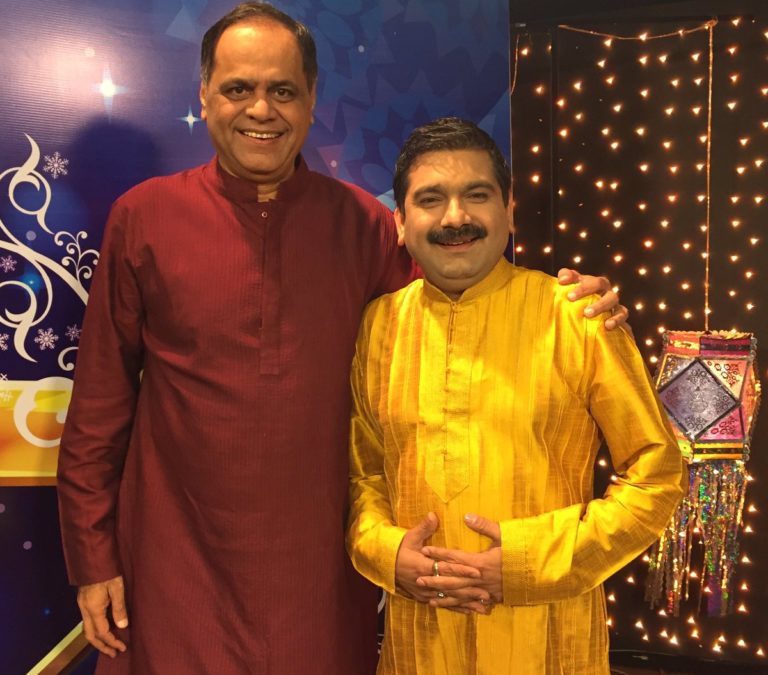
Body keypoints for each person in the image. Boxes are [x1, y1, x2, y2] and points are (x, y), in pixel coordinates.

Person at [56, 4, 627, 674]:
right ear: (204, 95)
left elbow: (461, 311)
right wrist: (93, 558)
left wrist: (570, 300)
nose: (261, 109)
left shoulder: (362, 225)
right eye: (239, 88)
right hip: (175, 557)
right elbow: (99, 406)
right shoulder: (144, 217)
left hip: (320, 570)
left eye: (283, 90)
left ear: (311, 102)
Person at [345, 117, 686, 675]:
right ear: (401, 224)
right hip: (420, 642)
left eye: (477, 195)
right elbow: (365, 476)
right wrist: (386, 553)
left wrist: (529, 563)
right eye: (430, 199)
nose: (455, 217)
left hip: (547, 640)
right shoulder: (378, 327)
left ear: (508, 211)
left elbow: (657, 477)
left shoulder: (577, 317)